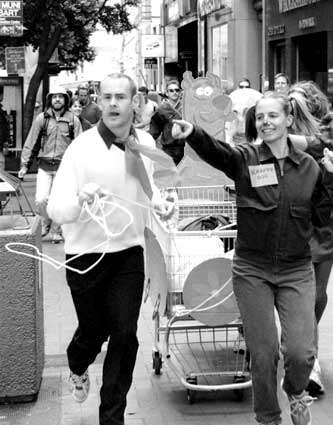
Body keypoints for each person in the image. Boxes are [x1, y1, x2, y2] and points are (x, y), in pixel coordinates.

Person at [171, 92, 333, 425]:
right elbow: (218, 152)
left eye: (273, 116)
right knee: (263, 353)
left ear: (289, 119)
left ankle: (295, 390)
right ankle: (268, 417)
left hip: (296, 270)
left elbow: (322, 218)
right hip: (252, 271)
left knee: (301, 353)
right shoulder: (246, 159)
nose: (265, 122)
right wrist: (192, 132)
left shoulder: (309, 167)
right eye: (260, 117)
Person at [46, 73, 175, 425]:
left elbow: (152, 191)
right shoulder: (81, 148)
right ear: (99, 102)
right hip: (85, 255)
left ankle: (112, 416)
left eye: (121, 96)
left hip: (129, 254)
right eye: (107, 97)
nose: (114, 103)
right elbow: (56, 209)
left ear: (134, 102)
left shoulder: (144, 142)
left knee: (124, 333)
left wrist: (163, 205)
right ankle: (77, 362)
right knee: (93, 330)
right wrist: (79, 200)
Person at [288, 80, 333, 397]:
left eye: (298, 107)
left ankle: (303, 344)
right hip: (294, 224)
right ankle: (309, 361)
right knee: (302, 296)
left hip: (324, 224)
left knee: (317, 294)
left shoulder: (326, 134)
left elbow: (314, 145)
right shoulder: (280, 133)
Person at [18, 86, 82, 243]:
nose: (58, 99)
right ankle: (45, 223)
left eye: (61, 96)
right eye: (54, 97)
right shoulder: (42, 119)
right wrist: (24, 165)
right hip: (45, 166)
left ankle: (56, 231)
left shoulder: (73, 119)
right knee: (41, 199)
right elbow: (31, 142)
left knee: (60, 201)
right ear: (50, 100)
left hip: (64, 168)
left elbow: (80, 145)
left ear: (65, 100)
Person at [149, 79, 185, 165]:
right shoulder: (162, 109)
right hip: (169, 149)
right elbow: (154, 129)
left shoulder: (186, 107)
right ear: (167, 93)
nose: (174, 92)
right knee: (169, 176)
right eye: (171, 91)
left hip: (185, 149)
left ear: (180, 92)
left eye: (177, 90)